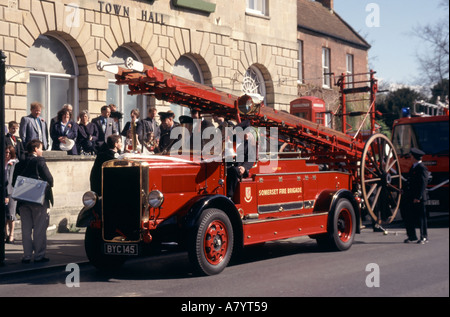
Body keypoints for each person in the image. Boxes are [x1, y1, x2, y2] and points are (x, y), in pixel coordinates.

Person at [12, 140, 54, 263]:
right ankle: (39, 255)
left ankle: (27, 255)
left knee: (26, 228)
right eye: (41, 148)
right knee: (39, 228)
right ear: (35, 149)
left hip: (23, 199)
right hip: (38, 198)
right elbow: (49, 178)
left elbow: (15, 181)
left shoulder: (20, 162)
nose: (42, 151)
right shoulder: (39, 161)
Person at [403, 148, 429, 244]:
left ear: (413, 157)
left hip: (418, 198)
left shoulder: (422, 167)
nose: (410, 157)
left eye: (411, 156)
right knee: (409, 216)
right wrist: (403, 190)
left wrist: (418, 197)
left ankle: (424, 237)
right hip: (410, 196)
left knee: (421, 218)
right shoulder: (414, 167)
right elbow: (409, 181)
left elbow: (423, 183)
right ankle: (412, 236)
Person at [226, 121, 256, 200]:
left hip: (240, 168)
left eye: (248, 132)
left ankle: (229, 196)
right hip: (227, 165)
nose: (248, 135)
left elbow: (250, 159)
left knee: (233, 171)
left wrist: (244, 167)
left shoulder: (249, 143)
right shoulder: (231, 140)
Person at [5, 146, 19, 244]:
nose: (7, 155)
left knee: (11, 214)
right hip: (3, 191)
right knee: (4, 215)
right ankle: (5, 234)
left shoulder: (14, 163)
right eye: (6, 152)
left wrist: (8, 194)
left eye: (9, 153)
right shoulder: (3, 163)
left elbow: (11, 180)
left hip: (11, 191)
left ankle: (11, 235)